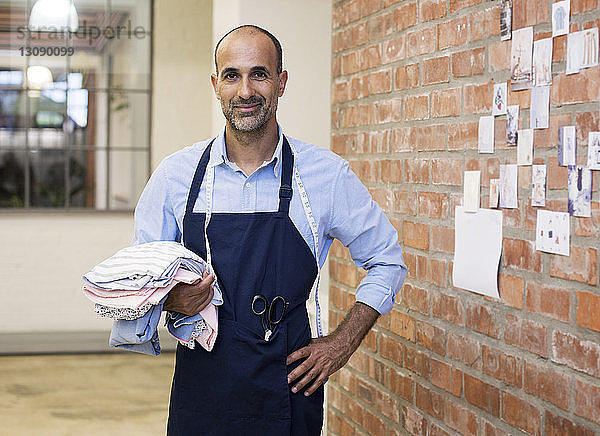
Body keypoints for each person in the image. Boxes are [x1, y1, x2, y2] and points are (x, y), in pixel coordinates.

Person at [132, 25, 407, 436]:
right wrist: (174, 298)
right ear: (216, 85)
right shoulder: (176, 176)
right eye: (232, 75)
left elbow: (388, 261)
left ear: (281, 83)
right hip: (202, 395)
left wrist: (341, 344)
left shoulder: (325, 176)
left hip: (289, 392)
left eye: (258, 74)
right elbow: (138, 280)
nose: (245, 91)